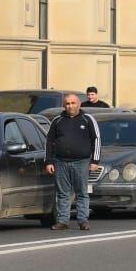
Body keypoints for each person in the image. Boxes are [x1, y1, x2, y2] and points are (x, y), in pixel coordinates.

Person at [45, 94, 101, 230]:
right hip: (60, 162)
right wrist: (49, 161)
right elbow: (49, 141)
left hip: (81, 162)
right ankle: (63, 221)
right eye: (68, 104)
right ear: (64, 106)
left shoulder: (87, 119)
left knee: (81, 192)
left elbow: (96, 139)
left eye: (73, 103)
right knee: (62, 193)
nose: (70, 106)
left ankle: (83, 221)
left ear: (79, 104)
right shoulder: (57, 120)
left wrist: (95, 160)